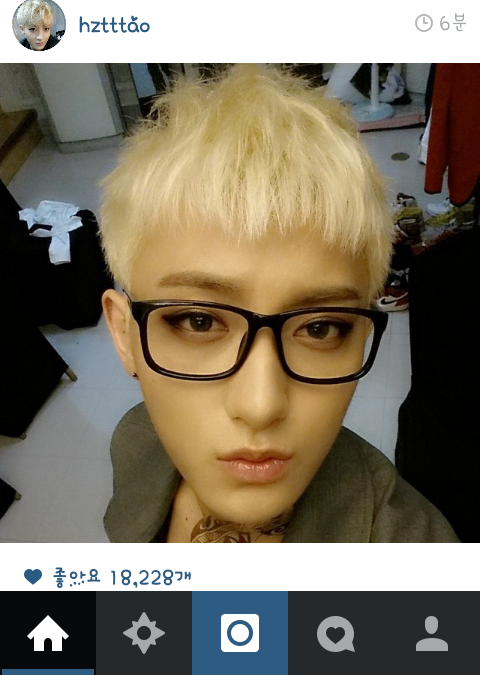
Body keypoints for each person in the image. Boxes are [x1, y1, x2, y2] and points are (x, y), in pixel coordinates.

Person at [99, 64, 458, 543]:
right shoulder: (135, 441)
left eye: (320, 328)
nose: (261, 405)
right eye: (199, 321)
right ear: (124, 335)